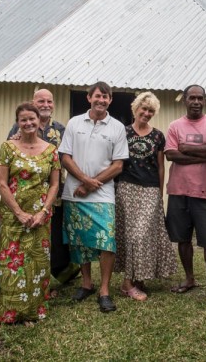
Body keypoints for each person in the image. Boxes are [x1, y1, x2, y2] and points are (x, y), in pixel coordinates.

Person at [59, 82, 128, 313]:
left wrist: (90, 186)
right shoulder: (74, 123)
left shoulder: (117, 127)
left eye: (106, 97)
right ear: (89, 97)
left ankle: (105, 290)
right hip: (73, 192)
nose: (102, 100)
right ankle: (86, 283)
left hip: (103, 194)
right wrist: (84, 181)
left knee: (107, 240)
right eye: (98, 96)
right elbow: (65, 157)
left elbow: (118, 165)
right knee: (79, 240)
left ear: (110, 100)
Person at [0, 102, 61, 324]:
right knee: (11, 265)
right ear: (18, 123)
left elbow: (54, 185)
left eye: (32, 119)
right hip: (13, 218)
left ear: (39, 121)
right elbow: (2, 184)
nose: (28, 123)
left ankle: (34, 311)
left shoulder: (51, 151)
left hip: (40, 219)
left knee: (37, 264)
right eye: (23, 119)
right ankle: (9, 313)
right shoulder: (7, 148)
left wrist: (44, 211)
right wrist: (19, 212)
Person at [7, 88, 79, 290]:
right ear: (33, 103)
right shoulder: (19, 127)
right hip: (27, 195)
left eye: (49, 101)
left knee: (55, 239)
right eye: (41, 101)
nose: (46, 105)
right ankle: (27, 277)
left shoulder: (61, 129)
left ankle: (57, 278)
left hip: (55, 194)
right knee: (30, 238)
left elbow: (69, 158)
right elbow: (9, 156)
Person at [165, 85, 206, 305]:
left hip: (204, 192)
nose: (196, 102)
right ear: (185, 100)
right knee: (182, 239)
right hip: (178, 191)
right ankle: (189, 278)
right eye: (192, 98)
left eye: (200, 98)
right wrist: (203, 153)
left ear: (205, 101)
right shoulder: (175, 125)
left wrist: (187, 149)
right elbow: (171, 154)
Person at [114, 92, 178, 301]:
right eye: (144, 109)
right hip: (127, 187)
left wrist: (159, 193)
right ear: (136, 109)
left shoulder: (158, 136)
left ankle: (137, 278)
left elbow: (161, 167)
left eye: (151, 110)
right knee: (131, 235)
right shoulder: (122, 132)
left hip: (150, 188)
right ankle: (128, 284)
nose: (147, 113)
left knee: (144, 235)